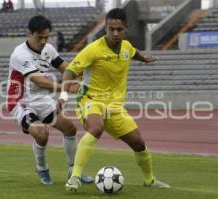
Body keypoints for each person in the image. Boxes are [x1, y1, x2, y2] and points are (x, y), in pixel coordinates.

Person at [59, 8, 170, 192]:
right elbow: (70, 71)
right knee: (96, 128)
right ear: (106, 28)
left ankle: (150, 180)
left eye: (119, 29)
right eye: (111, 29)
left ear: (126, 28)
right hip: (90, 99)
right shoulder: (93, 50)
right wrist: (63, 95)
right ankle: (75, 177)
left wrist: (145, 59)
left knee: (138, 143)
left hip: (115, 106)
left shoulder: (126, 47)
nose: (115, 33)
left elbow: (133, 53)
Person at [6, 15, 93, 185]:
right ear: (29, 33)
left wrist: (84, 74)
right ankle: (42, 168)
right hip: (21, 101)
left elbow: (66, 68)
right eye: (40, 37)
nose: (44, 41)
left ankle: (74, 171)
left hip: (42, 99)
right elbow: (37, 80)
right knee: (42, 134)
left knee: (70, 129)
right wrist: (65, 88)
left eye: (47, 37)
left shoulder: (49, 49)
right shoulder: (19, 54)